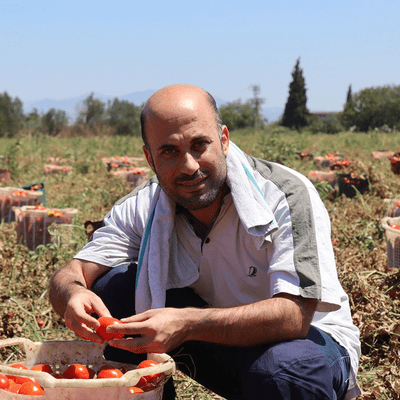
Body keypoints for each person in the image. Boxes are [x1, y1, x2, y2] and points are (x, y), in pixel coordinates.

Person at [49, 84, 362, 400]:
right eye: (169, 151)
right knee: (113, 287)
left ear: (224, 140)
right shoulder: (144, 207)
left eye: (200, 145)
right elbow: (70, 273)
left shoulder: (284, 195)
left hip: (307, 347)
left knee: (280, 371)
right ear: (149, 158)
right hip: (219, 339)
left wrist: (186, 323)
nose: (189, 166)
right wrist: (72, 294)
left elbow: (294, 316)